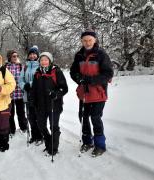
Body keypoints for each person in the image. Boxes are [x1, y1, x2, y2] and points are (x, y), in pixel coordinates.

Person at [70, 29, 113, 157]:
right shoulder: (79, 55)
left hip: (98, 92)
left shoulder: (101, 54)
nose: (87, 42)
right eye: (85, 40)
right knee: (83, 117)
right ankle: (87, 142)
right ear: (81, 41)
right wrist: (79, 79)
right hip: (84, 93)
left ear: (94, 40)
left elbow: (108, 74)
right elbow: (73, 72)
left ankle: (100, 145)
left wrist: (91, 80)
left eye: (90, 40)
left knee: (95, 117)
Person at [31, 52, 68, 156]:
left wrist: (56, 94)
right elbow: (34, 89)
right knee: (41, 125)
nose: (44, 62)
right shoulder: (37, 73)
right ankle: (48, 143)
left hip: (54, 105)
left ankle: (53, 148)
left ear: (50, 61)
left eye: (46, 60)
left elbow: (64, 88)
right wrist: (32, 100)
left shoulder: (56, 71)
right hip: (41, 105)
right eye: (42, 60)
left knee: (53, 126)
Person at [18, 46, 43, 145]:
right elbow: (20, 79)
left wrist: (31, 84)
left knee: (38, 117)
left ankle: (40, 136)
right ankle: (34, 135)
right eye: (30, 54)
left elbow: (41, 79)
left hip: (37, 95)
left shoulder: (40, 65)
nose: (32, 55)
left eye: (34, 54)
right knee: (31, 117)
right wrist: (24, 86)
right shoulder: (25, 66)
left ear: (37, 55)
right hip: (27, 95)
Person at [6, 50, 28, 134]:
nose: (15, 58)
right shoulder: (6, 67)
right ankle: (12, 129)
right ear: (9, 57)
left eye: (16, 56)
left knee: (21, 112)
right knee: (10, 113)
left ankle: (23, 127)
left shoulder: (21, 66)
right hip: (9, 94)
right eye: (13, 56)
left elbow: (24, 78)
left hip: (19, 93)